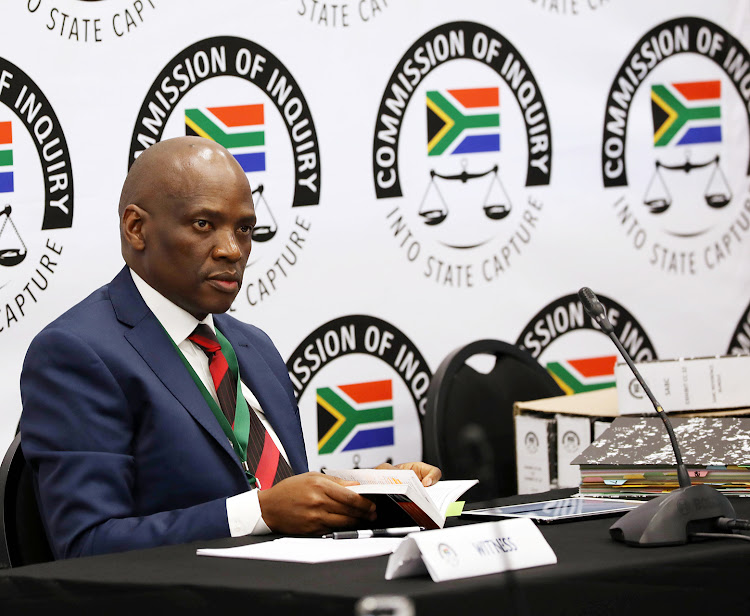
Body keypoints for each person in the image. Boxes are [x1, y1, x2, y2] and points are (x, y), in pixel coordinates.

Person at [19, 136, 440, 560]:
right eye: (204, 224)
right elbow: (86, 544)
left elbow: (280, 496)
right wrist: (258, 513)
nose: (232, 250)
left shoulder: (252, 346)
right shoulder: (76, 353)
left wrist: (377, 494)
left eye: (244, 228)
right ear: (136, 228)